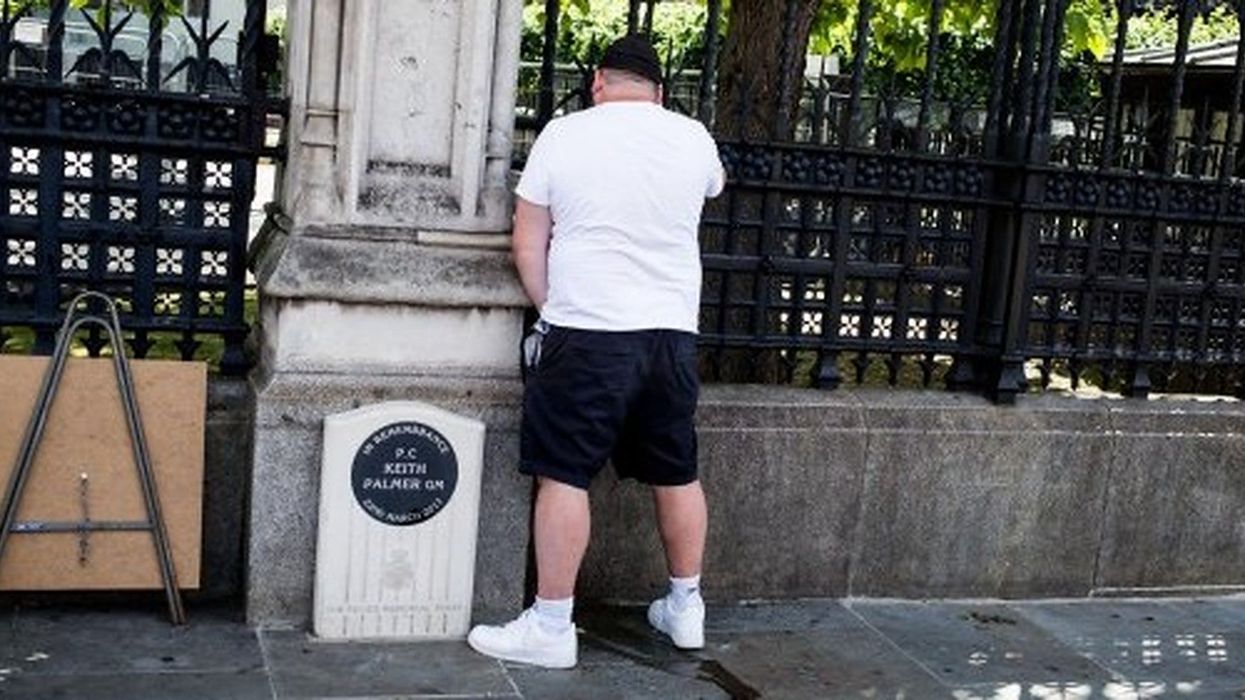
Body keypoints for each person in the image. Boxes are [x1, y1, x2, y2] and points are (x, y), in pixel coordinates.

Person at [466, 34, 725, 669]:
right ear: (660, 92)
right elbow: (712, 189)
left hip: (587, 331)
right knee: (677, 471)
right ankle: (685, 606)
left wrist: (554, 308)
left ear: (598, 83)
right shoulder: (694, 138)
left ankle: (553, 624)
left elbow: (527, 244)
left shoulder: (566, 133)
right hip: (670, 334)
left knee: (564, 472)